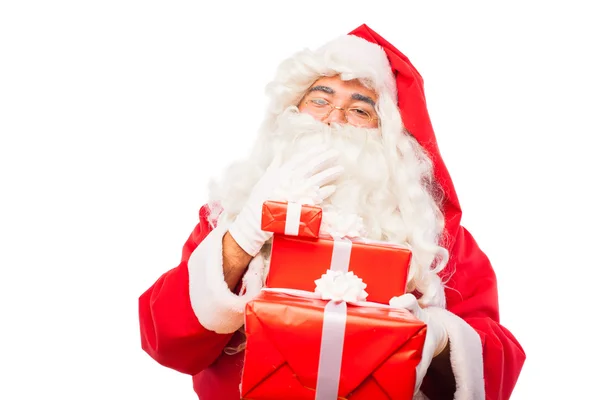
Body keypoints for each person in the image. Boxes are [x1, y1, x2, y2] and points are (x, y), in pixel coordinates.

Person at [138, 24, 526, 400]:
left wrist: (437, 336)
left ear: (388, 135)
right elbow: (165, 341)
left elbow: (497, 373)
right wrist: (243, 236)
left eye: (360, 109)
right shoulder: (230, 213)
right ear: (291, 113)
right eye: (320, 100)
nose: (334, 117)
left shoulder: (434, 237)